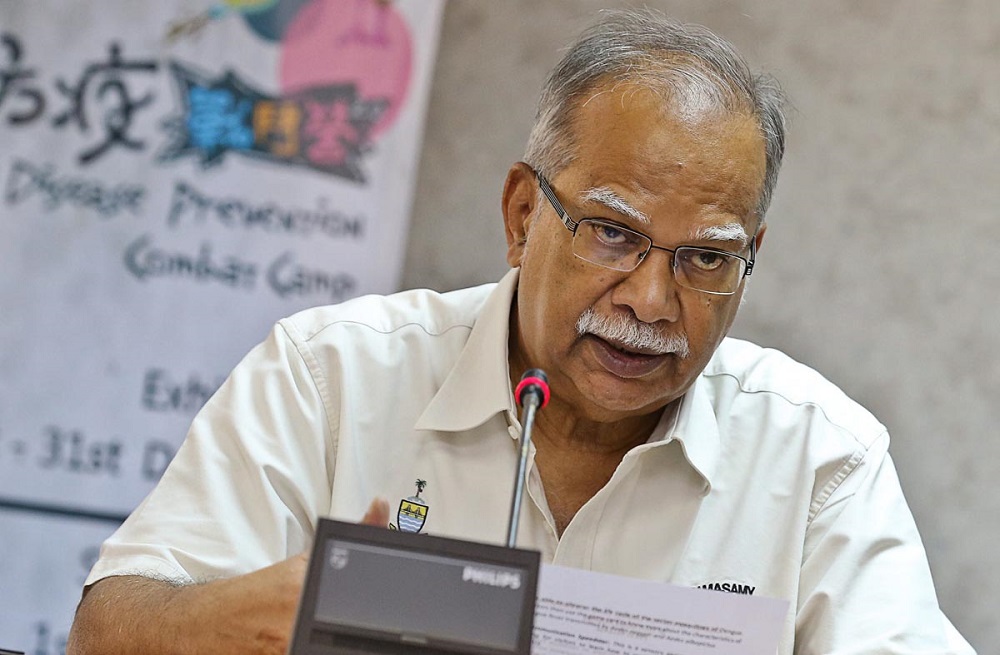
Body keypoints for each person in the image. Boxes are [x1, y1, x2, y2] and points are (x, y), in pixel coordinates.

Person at [67, 8, 975, 655]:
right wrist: (255, 620)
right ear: (520, 215)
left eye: (706, 258)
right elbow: (105, 631)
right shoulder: (329, 376)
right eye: (614, 234)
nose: (654, 302)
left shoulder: (820, 459)